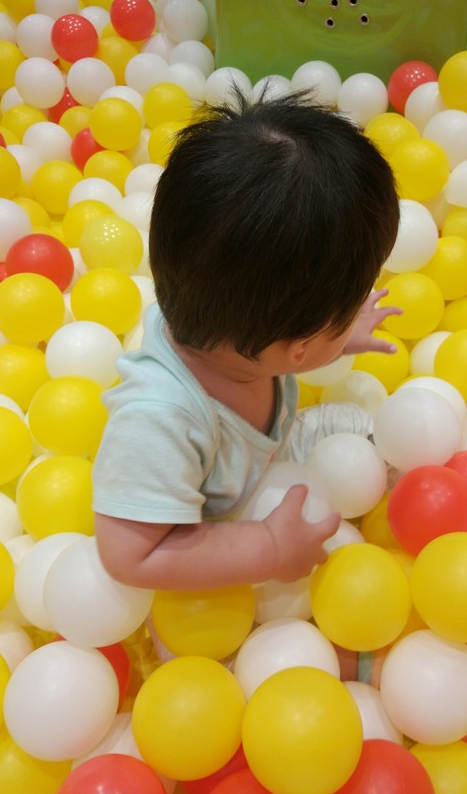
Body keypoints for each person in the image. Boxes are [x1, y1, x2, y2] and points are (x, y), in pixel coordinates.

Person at [92, 88, 401, 594]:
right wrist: (268, 549)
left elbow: (279, 325)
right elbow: (130, 555)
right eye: (343, 315)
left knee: (378, 435)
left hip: (267, 455)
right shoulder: (159, 423)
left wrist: (337, 336)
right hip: (209, 542)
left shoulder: (226, 319)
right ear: (297, 347)